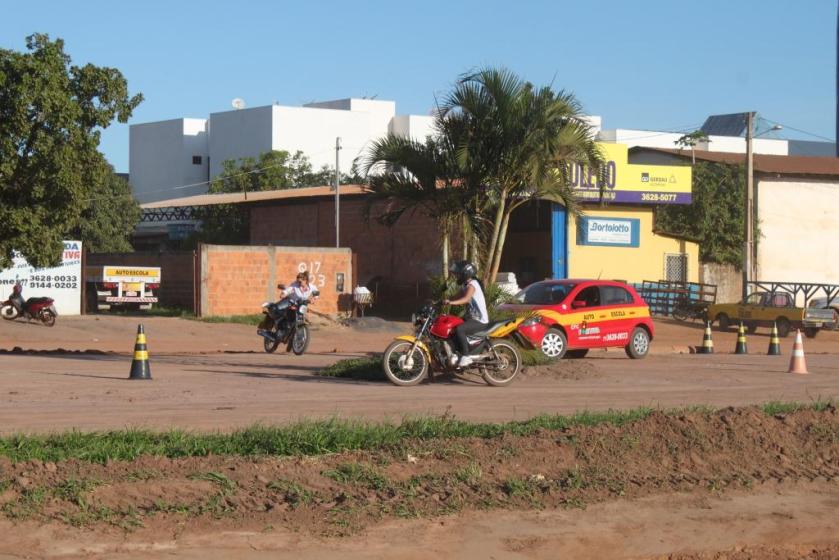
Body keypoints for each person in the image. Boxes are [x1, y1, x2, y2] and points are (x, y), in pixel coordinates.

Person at [443, 261, 489, 367]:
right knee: (453, 327)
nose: (456, 276)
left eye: (458, 274)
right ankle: (455, 354)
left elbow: (465, 299)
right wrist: (442, 301)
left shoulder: (473, 284)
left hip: (480, 320)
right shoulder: (465, 285)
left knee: (460, 329)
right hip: (471, 318)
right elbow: (455, 296)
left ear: (465, 274)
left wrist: (450, 303)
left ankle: (466, 356)